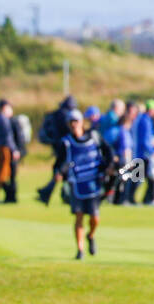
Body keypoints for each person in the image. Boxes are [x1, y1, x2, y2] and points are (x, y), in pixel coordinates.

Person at [53, 109, 113, 260]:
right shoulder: (66, 142)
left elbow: (108, 152)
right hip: (76, 183)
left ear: (81, 122)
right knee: (78, 216)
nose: (74, 124)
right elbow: (59, 162)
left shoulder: (94, 137)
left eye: (76, 121)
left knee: (94, 217)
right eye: (71, 122)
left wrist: (109, 166)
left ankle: (90, 235)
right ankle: (80, 250)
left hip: (93, 182)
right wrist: (58, 173)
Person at [35, 95, 75, 205]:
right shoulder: (66, 116)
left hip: (58, 147)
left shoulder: (56, 114)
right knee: (64, 171)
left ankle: (46, 193)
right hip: (66, 148)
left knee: (60, 171)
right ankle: (63, 195)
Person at [107, 101, 137, 205]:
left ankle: (114, 199)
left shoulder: (114, 130)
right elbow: (126, 149)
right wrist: (129, 163)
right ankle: (122, 200)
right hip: (122, 160)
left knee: (115, 180)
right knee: (123, 180)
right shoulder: (124, 132)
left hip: (114, 159)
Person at [133, 99, 154, 207]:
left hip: (142, 154)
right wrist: (152, 151)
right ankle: (145, 199)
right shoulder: (145, 120)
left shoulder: (145, 119)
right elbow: (145, 140)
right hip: (143, 154)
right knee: (142, 178)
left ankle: (146, 199)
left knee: (142, 178)